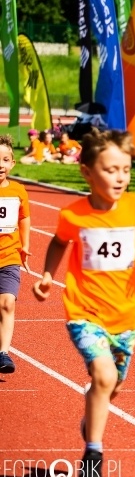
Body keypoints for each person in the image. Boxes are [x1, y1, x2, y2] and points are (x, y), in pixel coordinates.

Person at [31, 129, 135, 477]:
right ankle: (93, 456)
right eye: (111, 170)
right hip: (84, 313)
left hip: (126, 317)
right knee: (104, 376)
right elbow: (58, 242)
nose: (120, 178)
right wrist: (47, 275)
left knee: (114, 385)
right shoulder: (73, 215)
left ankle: (92, 415)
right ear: (87, 172)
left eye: (126, 170)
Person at [0, 135, 31, 374]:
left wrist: (25, 247)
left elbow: (24, 218)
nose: (0, 164)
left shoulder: (19, 191)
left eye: (5, 159)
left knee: (7, 303)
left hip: (9, 256)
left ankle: (3, 354)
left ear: (12, 164)